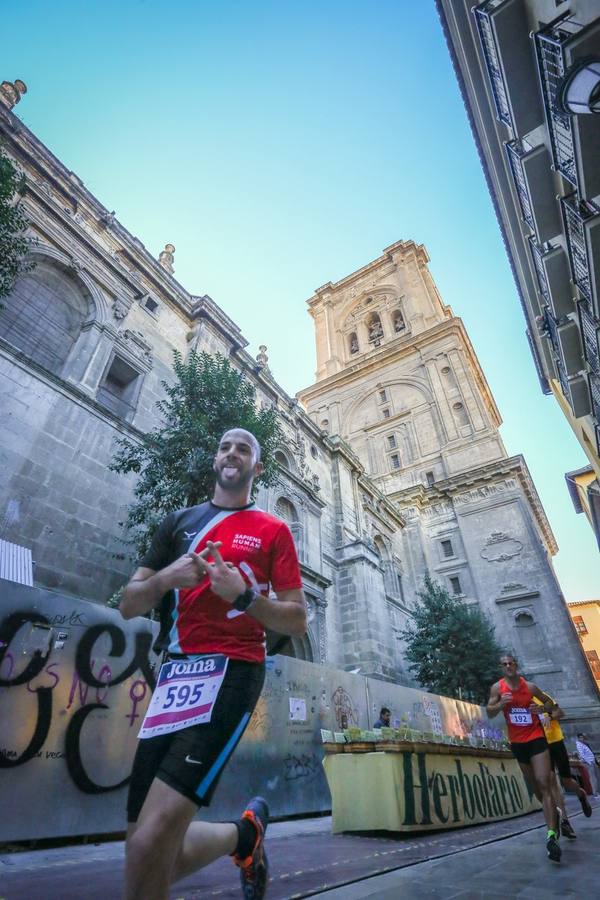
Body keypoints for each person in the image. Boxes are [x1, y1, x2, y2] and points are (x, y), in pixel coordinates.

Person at [119, 428, 307, 900]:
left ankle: (245, 838)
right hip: (174, 679)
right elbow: (128, 604)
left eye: (244, 448)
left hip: (232, 674)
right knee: (145, 851)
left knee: (147, 850)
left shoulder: (273, 530)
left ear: (256, 468)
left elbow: (297, 618)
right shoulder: (178, 523)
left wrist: (244, 597)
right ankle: (244, 837)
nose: (232, 453)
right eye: (225, 446)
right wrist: (167, 578)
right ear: (215, 458)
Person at [487, 653, 562, 861]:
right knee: (536, 789)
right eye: (504, 664)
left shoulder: (529, 687)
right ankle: (553, 814)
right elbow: (490, 711)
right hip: (518, 743)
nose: (508, 666)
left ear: (516, 665)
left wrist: (542, 709)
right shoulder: (497, 688)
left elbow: (551, 705)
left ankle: (551, 836)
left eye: (511, 663)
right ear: (501, 668)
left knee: (543, 781)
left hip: (536, 737)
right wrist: (501, 704)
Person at [532, 696, 592, 838]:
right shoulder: (520, 703)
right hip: (541, 745)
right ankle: (565, 822)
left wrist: (550, 716)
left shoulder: (542, 697)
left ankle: (581, 794)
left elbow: (561, 713)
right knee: (552, 782)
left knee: (567, 781)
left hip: (556, 742)